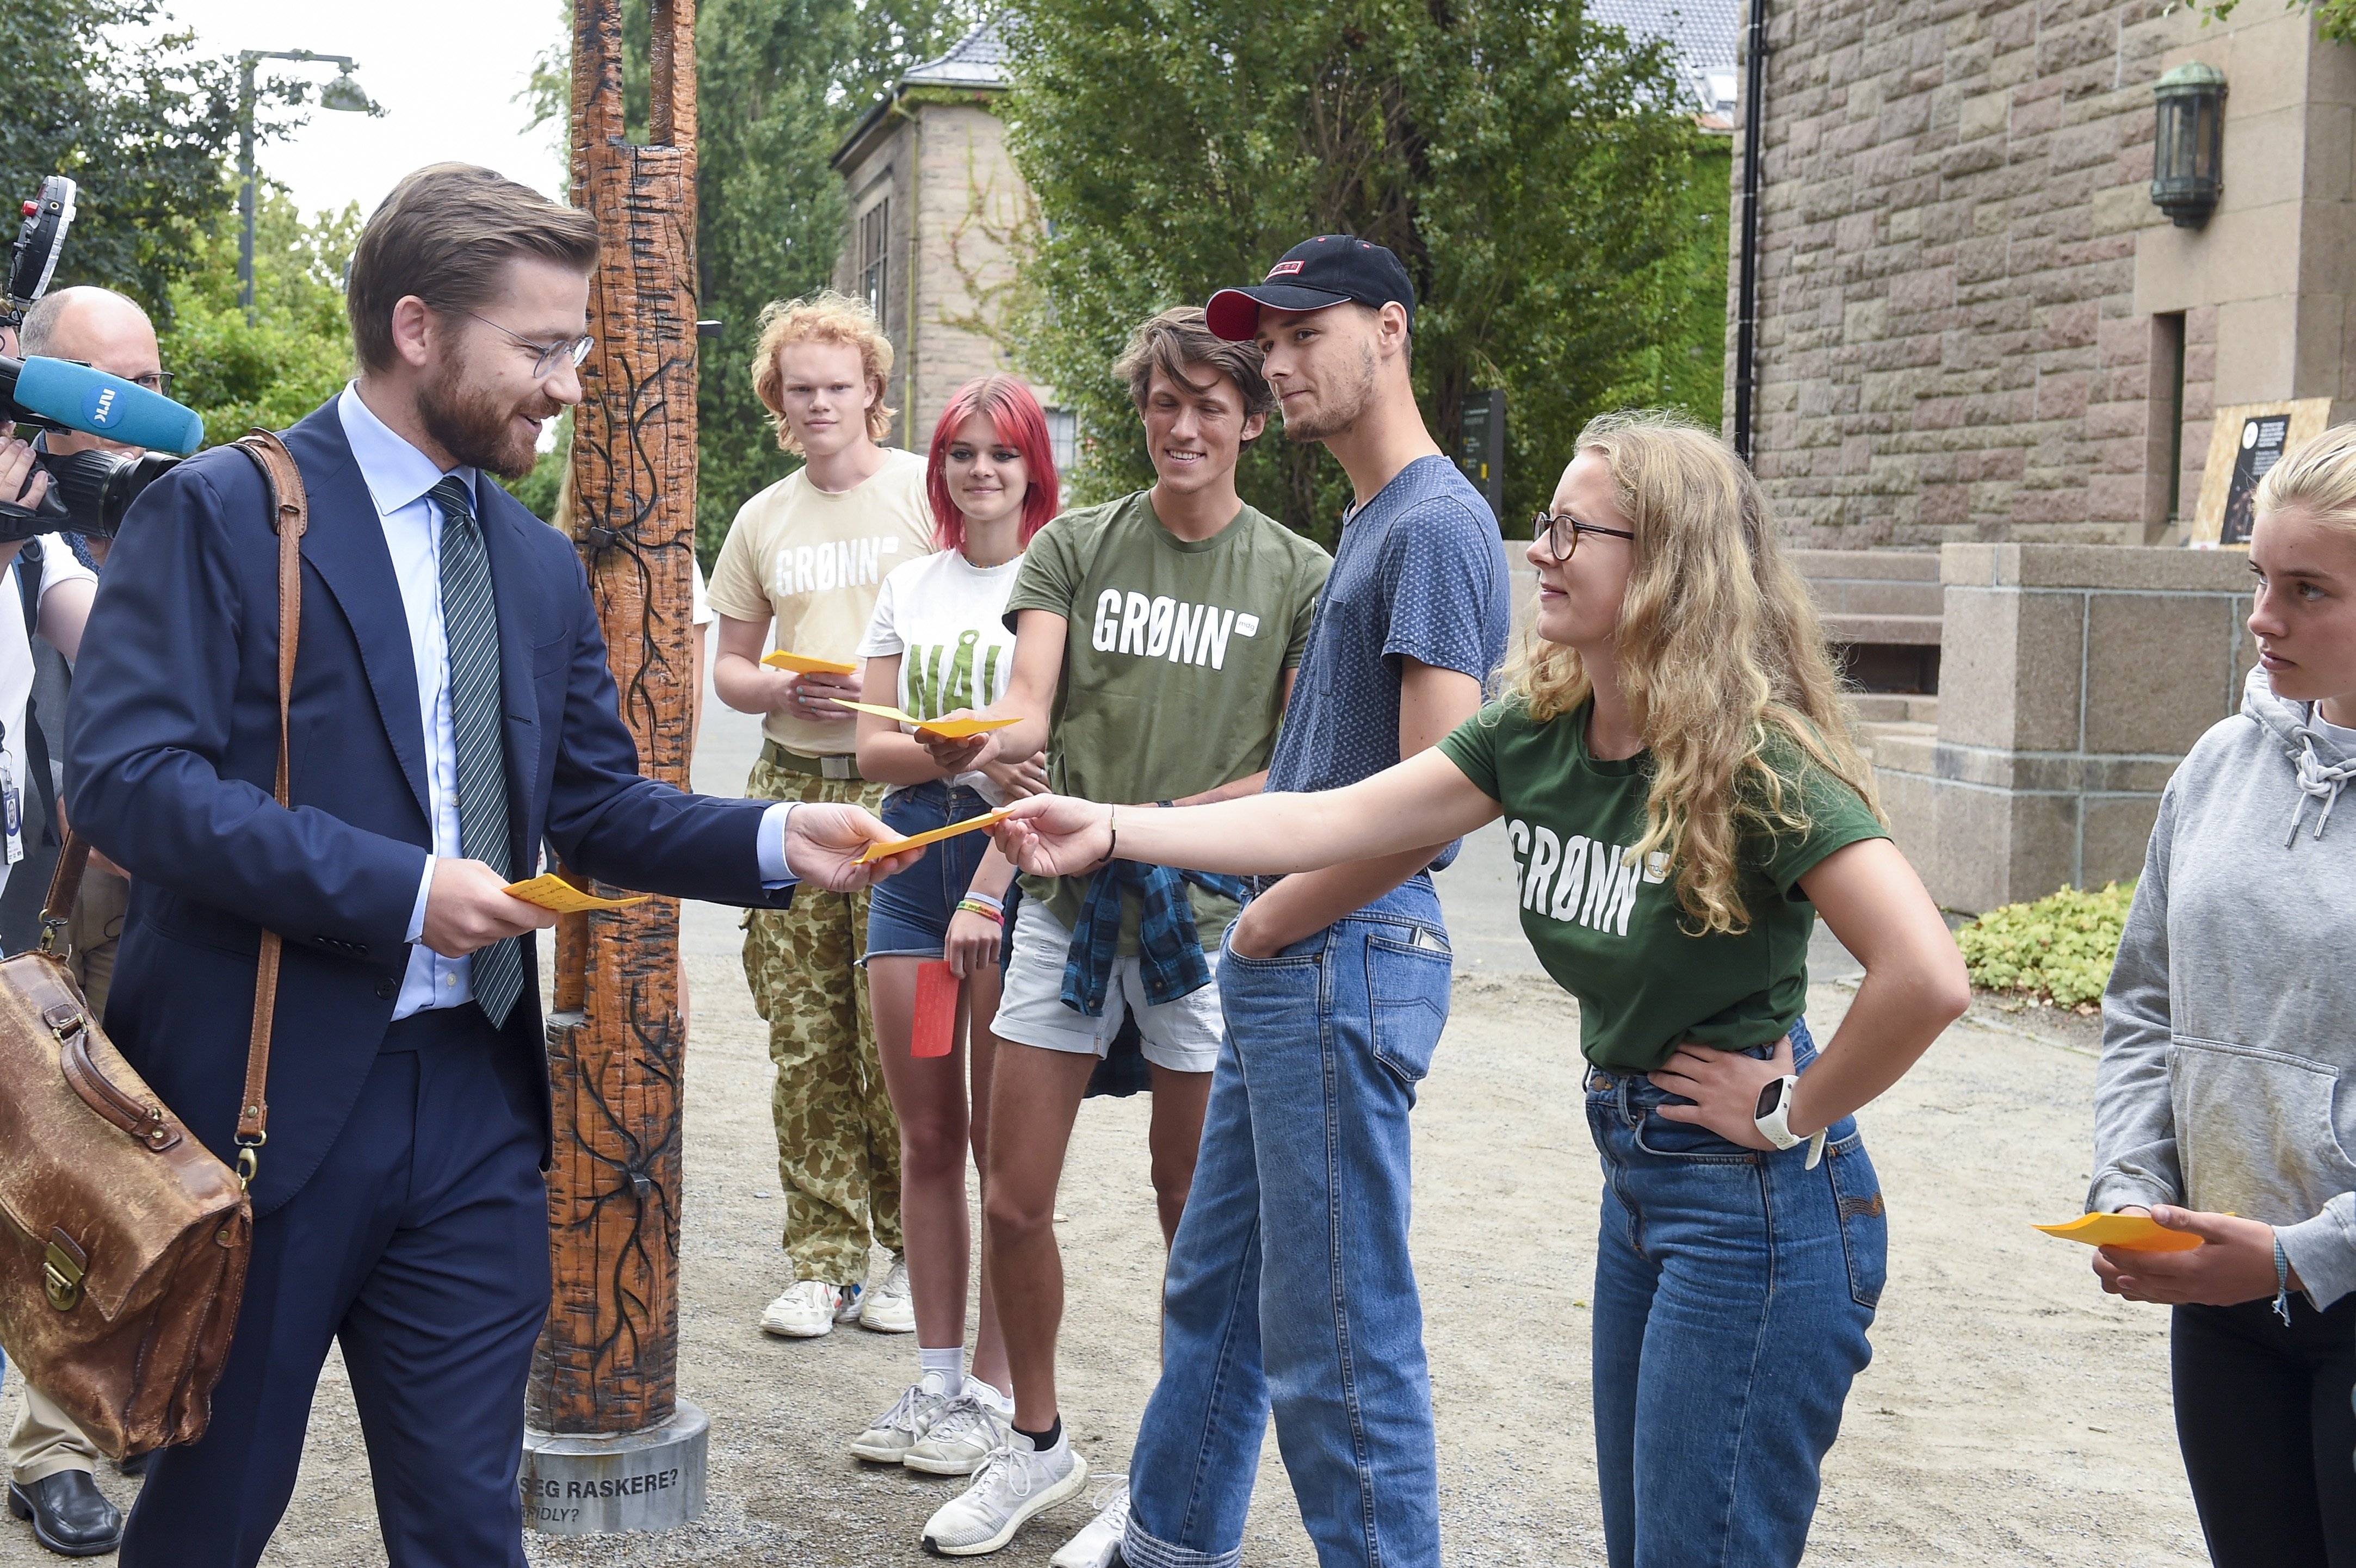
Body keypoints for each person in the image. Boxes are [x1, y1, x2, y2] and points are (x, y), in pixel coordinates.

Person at [61, 162, 916, 1568]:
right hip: (263, 1110)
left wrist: (776, 839)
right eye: (540, 346)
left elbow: (594, 806)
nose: (570, 382)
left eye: (572, 347)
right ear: (417, 330)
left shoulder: (530, 563)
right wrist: (404, 888)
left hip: (472, 1106)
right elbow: (132, 786)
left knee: (466, 1520)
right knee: (218, 1511)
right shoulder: (219, 510)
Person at [994, 410, 1970, 1568]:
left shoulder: (1752, 757)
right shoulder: (1546, 727)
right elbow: (1334, 815)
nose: (1541, 550)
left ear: (1664, 561)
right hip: (1644, 1182)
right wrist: (1111, 826)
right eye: (1546, 524)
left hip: (1758, 1212)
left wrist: (1790, 1109)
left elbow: (1927, 973)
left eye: (1574, 529)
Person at [1068, 237, 1513, 1568]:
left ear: (1390, 329)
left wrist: (1276, 913)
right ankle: (1169, 1541)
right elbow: (1335, 772)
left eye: (1305, 332)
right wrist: (1190, 832)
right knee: (1219, 1294)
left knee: (1336, 1332)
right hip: (1302, 952)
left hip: (1342, 952)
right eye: (1268, 338)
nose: (1277, 360)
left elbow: (1445, 791)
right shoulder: (1375, 522)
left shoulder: (1433, 524)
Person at [910, 308, 1331, 1559]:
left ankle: (1168, 1488)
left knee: (1191, 1215)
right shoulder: (1076, 548)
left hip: (1210, 926)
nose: (1183, 425)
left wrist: (1126, 823)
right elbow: (1029, 707)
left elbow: (1294, 781)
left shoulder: (1301, 574)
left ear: (1252, 419)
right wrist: (993, 753)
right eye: (1164, 401)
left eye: (1210, 405)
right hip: (1063, 908)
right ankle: (1036, 1445)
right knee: (1016, 1195)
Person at [2088, 424, 2356, 1568]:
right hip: (2224, 1304)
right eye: (2259, 577)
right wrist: (2132, 1178)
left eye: (2308, 590)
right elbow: (2145, 1000)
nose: (2263, 617)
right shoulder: (2216, 767)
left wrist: (2304, 1253)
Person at [708, 291, 935, 1339]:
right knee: (804, 1040)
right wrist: (782, 692)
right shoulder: (762, 518)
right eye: (801, 390)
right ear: (778, 402)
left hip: (901, 793)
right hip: (791, 788)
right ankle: (824, 1259)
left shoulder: (922, 499)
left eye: (838, 386)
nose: (820, 404)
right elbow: (731, 672)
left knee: (901, 1040)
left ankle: (905, 1253)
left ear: (873, 394)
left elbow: (976, 624)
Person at [843, 374, 1058, 1477]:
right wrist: (970, 751)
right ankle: (935, 1380)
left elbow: (1048, 758)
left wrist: (981, 803)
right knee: (925, 1134)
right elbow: (875, 748)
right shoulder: (910, 583)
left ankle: (995, 1388)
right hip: (907, 859)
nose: (982, 471)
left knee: (996, 1146)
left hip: (1009, 860)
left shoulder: (1056, 576)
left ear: (1034, 468)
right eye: (963, 454)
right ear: (940, 469)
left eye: (1002, 454)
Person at [0, 310, 113, 1561]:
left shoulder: (39, 553)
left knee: (50, 1172)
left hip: (18, 905)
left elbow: (127, 643)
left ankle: (50, 1446)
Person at [11, 286, 163, 1013]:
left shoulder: (148, 511)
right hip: (43, 877)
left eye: (149, 386)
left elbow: (137, 654)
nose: (128, 414)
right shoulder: (29, 524)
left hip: (141, 894)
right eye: (103, 388)